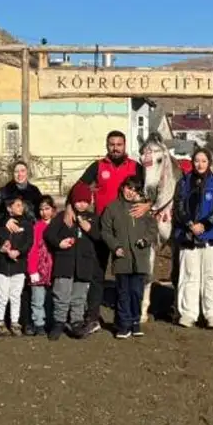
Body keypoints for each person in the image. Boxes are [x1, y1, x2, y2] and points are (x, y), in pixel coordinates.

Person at [77, 131, 149, 334]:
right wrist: (71, 208)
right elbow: (80, 187)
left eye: (119, 144)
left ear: (125, 145)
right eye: (111, 144)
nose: (115, 147)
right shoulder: (98, 166)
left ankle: (124, 319)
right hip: (102, 226)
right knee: (97, 273)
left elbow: (152, 189)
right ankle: (92, 317)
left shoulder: (135, 167)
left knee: (124, 276)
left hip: (128, 228)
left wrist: (147, 205)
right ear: (107, 145)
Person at [172, 148, 213, 329]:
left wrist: (204, 224)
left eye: (204, 161)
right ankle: (188, 313)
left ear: (209, 163)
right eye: (197, 160)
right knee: (189, 275)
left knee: (211, 276)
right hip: (188, 234)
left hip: (211, 234)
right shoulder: (183, 182)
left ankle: (211, 313)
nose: (200, 164)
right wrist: (189, 223)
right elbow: (178, 205)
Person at [102, 177, 157, 339]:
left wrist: (145, 240)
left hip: (139, 258)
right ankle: (123, 324)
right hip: (122, 258)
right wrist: (115, 246)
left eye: (134, 189)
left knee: (137, 292)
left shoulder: (142, 209)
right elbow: (106, 231)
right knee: (123, 292)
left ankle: (135, 322)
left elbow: (153, 229)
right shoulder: (112, 208)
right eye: (128, 187)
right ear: (122, 187)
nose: (130, 192)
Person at [45, 182, 101, 340]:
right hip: (65, 264)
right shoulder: (63, 217)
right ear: (73, 201)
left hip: (84, 264)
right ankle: (59, 322)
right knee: (61, 294)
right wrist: (59, 243)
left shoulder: (92, 218)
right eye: (78, 201)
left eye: (85, 201)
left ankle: (76, 321)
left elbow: (100, 237)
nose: (82, 204)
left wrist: (89, 228)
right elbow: (49, 234)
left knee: (79, 296)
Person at [0, 195, 33, 336]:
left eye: (21, 205)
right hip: (3, 266)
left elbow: (29, 242)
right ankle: (0, 321)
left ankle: (15, 322)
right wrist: (1, 248)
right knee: (2, 296)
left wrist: (19, 251)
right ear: (9, 208)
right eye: (18, 205)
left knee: (16, 295)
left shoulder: (27, 224)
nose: (21, 208)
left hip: (19, 266)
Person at [25, 196, 56, 337]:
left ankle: (50, 321)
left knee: (52, 297)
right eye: (41, 209)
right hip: (38, 267)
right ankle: (38, 323)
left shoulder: (57, 225)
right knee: (37, 298)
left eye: (47, 209)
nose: (44, 212)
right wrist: (32, 269)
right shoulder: (36, 227)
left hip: (54, 268)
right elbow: (32, 250)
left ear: (53, 209)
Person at [0, 160, 43, 232]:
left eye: (22, 171)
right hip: (10, 234)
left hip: (31, 233)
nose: (19, 174)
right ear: (12, 174)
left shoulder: (35, 191)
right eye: (16, 171)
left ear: (27, 173)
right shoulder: (4, 192)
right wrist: (5, 221)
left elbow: (42, 210)